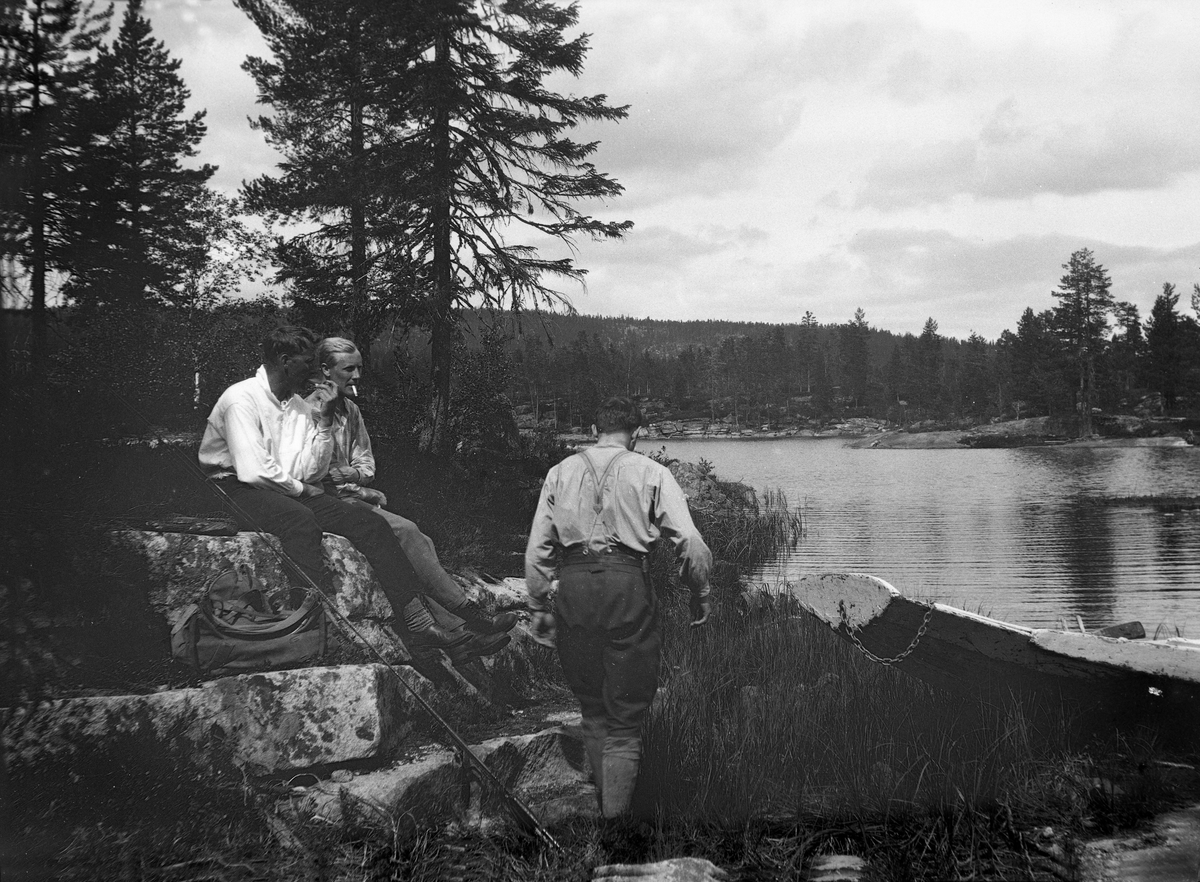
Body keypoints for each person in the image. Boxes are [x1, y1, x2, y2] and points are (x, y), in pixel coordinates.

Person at [198, 325, 493, 665]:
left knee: (370, 524)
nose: (312, 370)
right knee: (300, 519)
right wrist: (302, 489)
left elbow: (304, 468)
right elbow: (253, 471)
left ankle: (419, 625)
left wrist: (323, 424)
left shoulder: (294, 405)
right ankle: (306, 618)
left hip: (282, 487)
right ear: (283, 361)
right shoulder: (241, 399)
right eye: (306, 361)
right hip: (232, 486)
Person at [524, 396, 713, 819]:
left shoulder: (560, 472)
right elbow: (692, 545)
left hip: (572, 588)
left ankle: (602, 804)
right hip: (626, 586)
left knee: (592, 707)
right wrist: (699, 593)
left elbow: (538, 548)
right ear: (637, 433)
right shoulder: (652, 471)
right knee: (625, 718)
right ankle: (616, 827)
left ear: (594, 431)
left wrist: (538, 603)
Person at [311, 336, 517, 641]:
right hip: (328, 502)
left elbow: (367, 465)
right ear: (326, 371)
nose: (356, 376)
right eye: (348, 369)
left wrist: (351, 473)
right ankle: (470, 616)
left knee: (424, 542)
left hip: (349, 496)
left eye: (360, 369)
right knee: (407, 531)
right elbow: (309, 469)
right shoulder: (306, 410)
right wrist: (346, 480)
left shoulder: (350, 410)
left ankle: (461, 637)